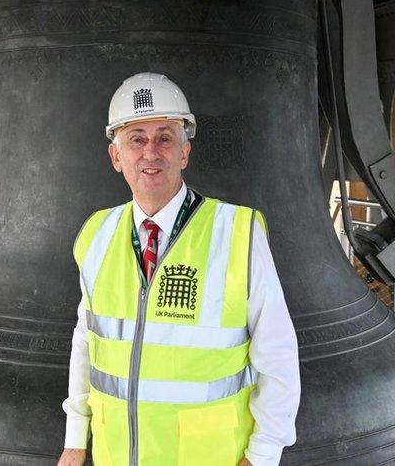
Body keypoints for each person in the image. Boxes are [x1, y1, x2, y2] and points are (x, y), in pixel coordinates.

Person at [58, 73, 300, 466]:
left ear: (184, 153)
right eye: (136, 139)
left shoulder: (238, 234)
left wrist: (263, 454)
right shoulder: (96, 235)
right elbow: (87, 342)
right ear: (116, 156)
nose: (150, 152)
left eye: (165, 137)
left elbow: (278, 354)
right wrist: (75, 438)